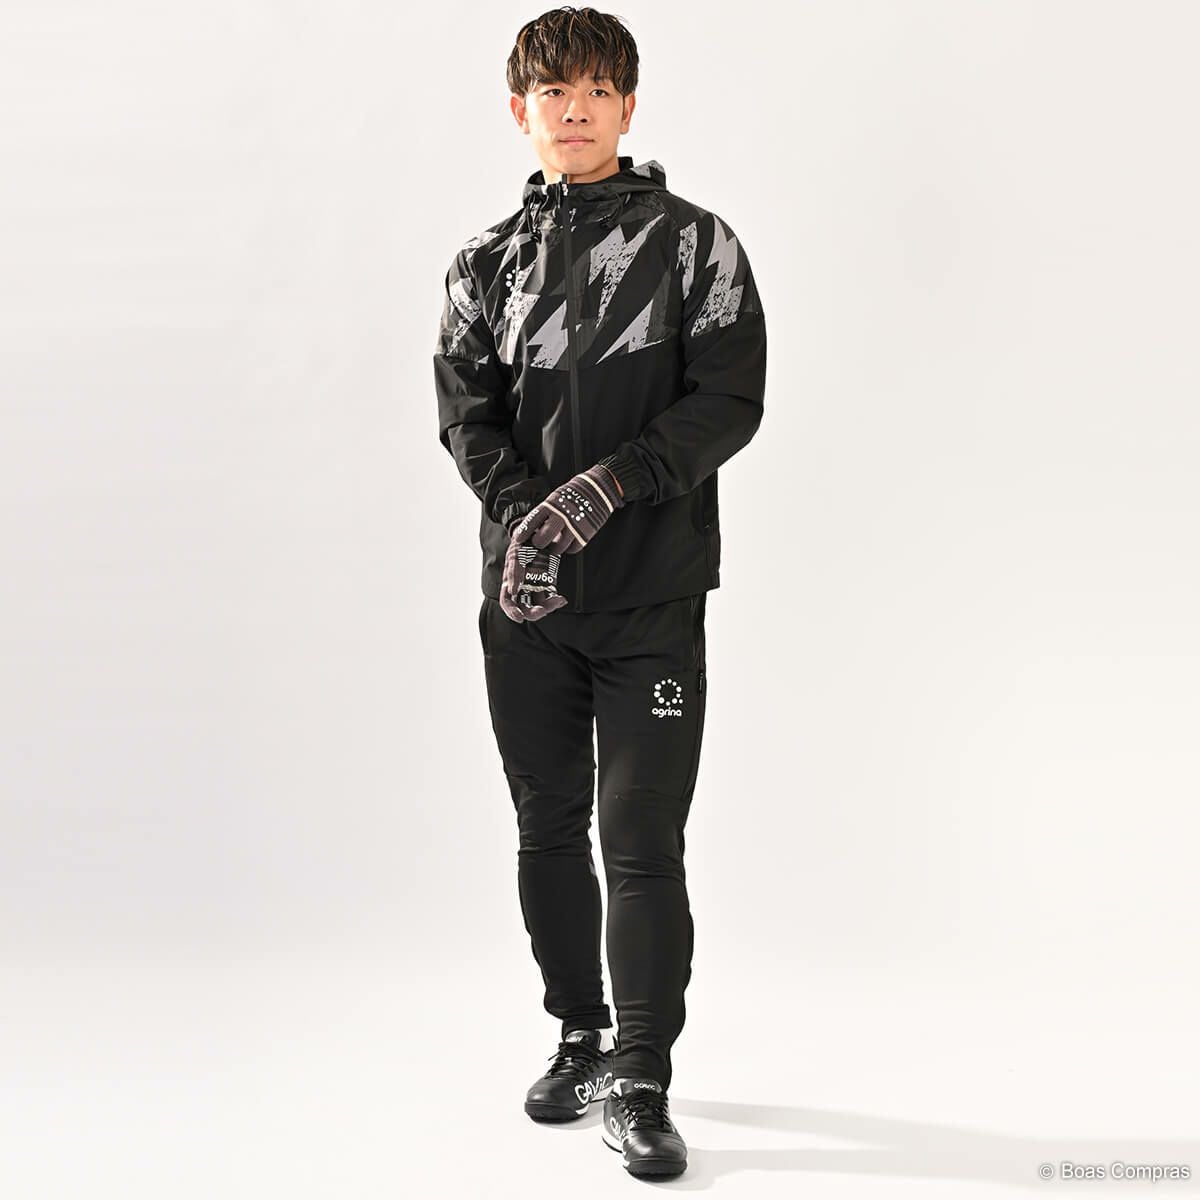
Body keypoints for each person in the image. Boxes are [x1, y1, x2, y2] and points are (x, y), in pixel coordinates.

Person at [433, 5, 766, 1180]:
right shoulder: (482, 264)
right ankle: (579, 1036)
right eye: (552, 93)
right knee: (545, 827)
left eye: (594, 92)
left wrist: (612, 487)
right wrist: (529, 514)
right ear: (518, 111)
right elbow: (465, 414)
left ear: (627, 106)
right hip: (525, 606)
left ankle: (641, 1072)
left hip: (651, 602)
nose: (572, 111)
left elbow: (729, 399)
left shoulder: (695, 247)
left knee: (639, 839)